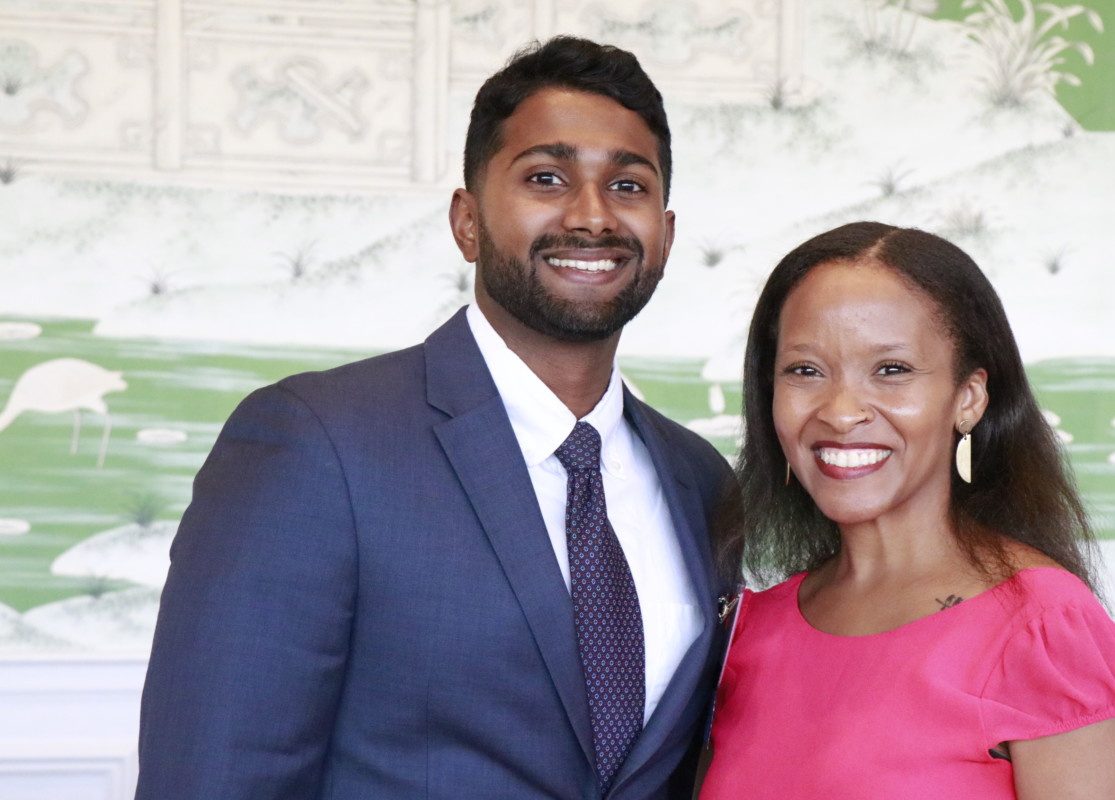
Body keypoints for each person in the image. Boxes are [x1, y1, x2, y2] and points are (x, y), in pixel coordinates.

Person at [135, 36, 737, 800]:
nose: (592, 217)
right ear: (468, 222)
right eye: (546, 178)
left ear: (665, 234)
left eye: (628, 185)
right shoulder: (316, 444)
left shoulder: (701, 481)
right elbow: (215, 778)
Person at [698, 222, 1115, 799]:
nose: (840, 412)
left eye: (892, 370)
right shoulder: (749, 631)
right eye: (805, 370)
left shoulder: (1045, 630)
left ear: (969, 398)